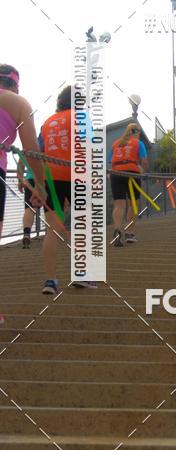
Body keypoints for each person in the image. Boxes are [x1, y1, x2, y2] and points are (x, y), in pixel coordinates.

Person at [40, 86, 95, 294]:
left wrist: (38, 181)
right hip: (77, 175)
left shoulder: (47, 122)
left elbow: (40, 150)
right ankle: (81, 275)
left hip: (50, 177)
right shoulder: (81, 117)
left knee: (51, 230)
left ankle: (50, 281)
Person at [0, 65, 45, 242]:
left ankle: (26, 233)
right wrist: (40, 186)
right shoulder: (18, 102)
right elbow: (31, 149)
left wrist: (20, 177)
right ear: (15, 85)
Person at [109, 122, 148, 246]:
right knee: (133, 204)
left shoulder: (116, 143)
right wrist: (142, 171)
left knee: (118, 205)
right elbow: (144, 162)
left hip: (116, 174)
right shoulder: (139, 143)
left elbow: (111, 161)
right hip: (132, 173)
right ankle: (130, 233)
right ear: (136, 133)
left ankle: (117, 231)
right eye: (139, 132)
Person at [16, 157, 36, 248]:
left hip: (31, 179)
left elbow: (21, 163)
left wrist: (20, 180)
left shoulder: (28, 144)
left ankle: (27, 233)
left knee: (30, 209)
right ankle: (52, 236)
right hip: (50, 178)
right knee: (51, 211)